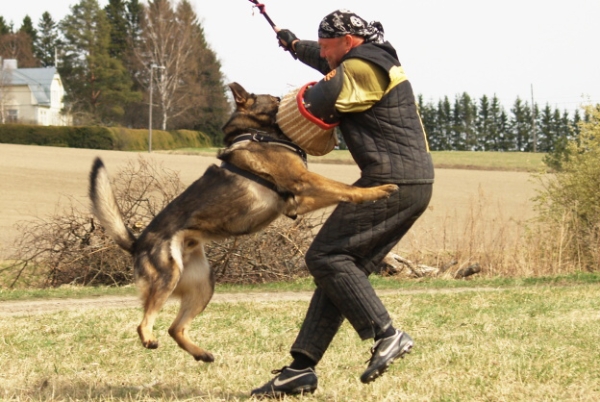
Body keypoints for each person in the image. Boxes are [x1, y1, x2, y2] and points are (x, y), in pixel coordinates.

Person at [251, 9, 435, 398]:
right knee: (340, 275)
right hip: (409, 182)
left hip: (391, 183)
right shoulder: (366, 56)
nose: (325, 55)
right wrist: (293, 44)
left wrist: (268, 120)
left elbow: (320, 99)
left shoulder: (362, 68)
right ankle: (300, 369)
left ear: (349, 43)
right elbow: (325, 60)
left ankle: (387, 334)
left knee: (326, 257)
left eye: (329, 47)